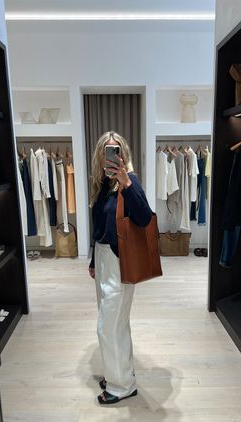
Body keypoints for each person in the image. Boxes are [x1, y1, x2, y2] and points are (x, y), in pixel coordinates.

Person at [89, 130, 152, 405]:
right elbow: (99, 226)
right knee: (116, 323)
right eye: (106, 150)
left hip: (119, 260)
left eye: (115, 149)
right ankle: (121, 375)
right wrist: (93, 260)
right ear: (100, 155)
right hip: (103, 259)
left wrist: (126, 180)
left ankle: (121, 386)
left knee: (108, 326)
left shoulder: (129, 182)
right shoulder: (102, 185)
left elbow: (144, 217)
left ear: (123, 154)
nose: (110, 154)